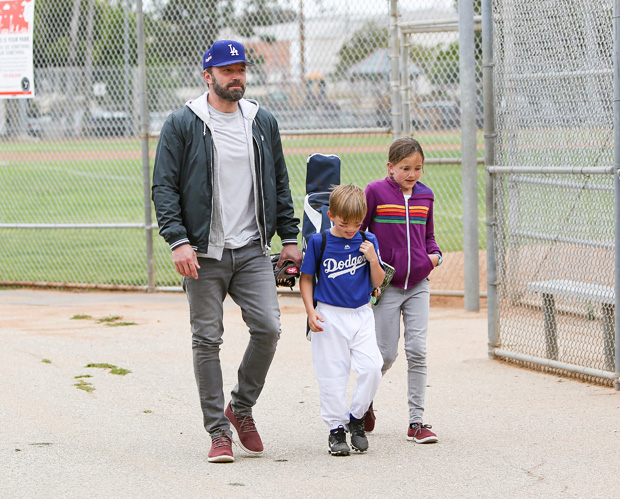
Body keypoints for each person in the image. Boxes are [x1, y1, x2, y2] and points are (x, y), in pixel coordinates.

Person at [152, 39, 302, 463]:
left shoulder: (261, 120)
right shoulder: (183, 123)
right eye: (227, 70)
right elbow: (163, 187)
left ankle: (240, 407)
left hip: (253, 248)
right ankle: (218, 432)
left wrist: (289, 238)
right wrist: (178, 240)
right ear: (208, 75)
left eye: (241, 70)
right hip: (202, 252)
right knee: (207, 339)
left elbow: (279, 182)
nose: (236, 77)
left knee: (269, 329)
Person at [360, 137, 442, 444]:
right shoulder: (376, 192)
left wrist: (434, 257)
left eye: (417, 168)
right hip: (388, 285)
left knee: (418, 350)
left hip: (419, 284)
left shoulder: (426, 196)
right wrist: (372, 265)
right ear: (390, 167)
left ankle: (416, 422)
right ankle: (363, 403)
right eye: (405, 168)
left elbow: (430, 237)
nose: (411, 174)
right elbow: (361, 230)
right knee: (386, 354)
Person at [299, 184, 385, 456]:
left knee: (373, 367)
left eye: (357, 223)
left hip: (361, 314)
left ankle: (356, 418)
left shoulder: (368, 239)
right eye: (345, 222)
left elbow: (378, 281)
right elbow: (306, 278)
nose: (351, 229)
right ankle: (336, 430)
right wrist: (310, 311)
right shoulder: (319, 241)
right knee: (332, 375)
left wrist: (373, 259)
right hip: (329, 315)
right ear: (331, 214)